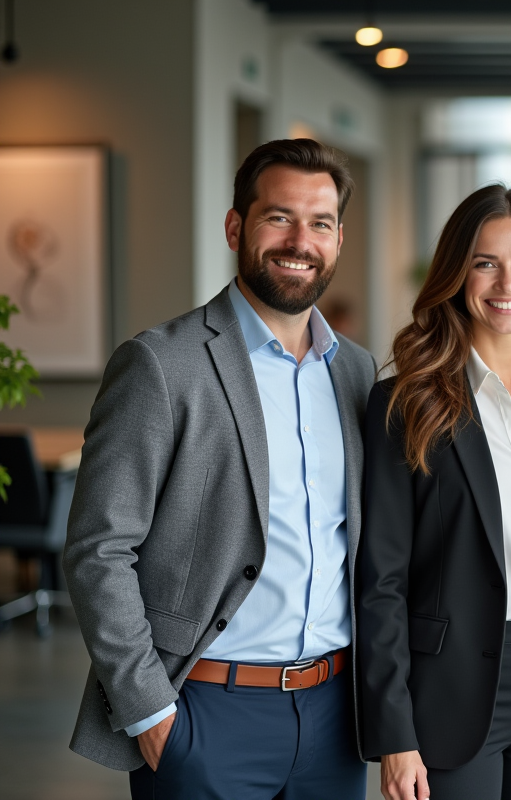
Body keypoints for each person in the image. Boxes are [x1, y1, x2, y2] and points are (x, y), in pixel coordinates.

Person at [62, 138, 377, 799]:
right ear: (236, 226)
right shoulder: (160, 364)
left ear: (340, 239)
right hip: (205, 713)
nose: (301, 240)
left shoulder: (355, 370)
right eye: (278, 217)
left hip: (334, 718)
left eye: (320, 223)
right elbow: (99, 548)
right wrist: (152, 713)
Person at [358, 184, 511, 800]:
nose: (506, 283)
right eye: (483, 263)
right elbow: (381, 577)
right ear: (455, 274)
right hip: (452, 680)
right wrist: (394, 733)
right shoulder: (407, 402)